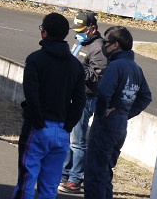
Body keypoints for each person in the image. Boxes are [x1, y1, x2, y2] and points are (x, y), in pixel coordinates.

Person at [12, 12, 86, 199]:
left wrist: (37, 122)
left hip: (38, 128)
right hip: (61, 130)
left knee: (27, 181)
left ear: (44, 32)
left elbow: (31, 95)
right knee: (50, 186)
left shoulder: (35, 59)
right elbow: (79, 101)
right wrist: (68, 125)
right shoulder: (76, 66)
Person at [84, 26, 151, 199]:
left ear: (115, 45)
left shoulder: (115, 66)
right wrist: (125, 113)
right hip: (120, 126)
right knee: (105, 172)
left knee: (95, 174)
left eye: (106, 42)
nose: (103, 45)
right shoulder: (136, 68)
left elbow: (103, 93)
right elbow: (145, 97)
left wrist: (102, 113)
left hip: (106, 126)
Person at [59, 11, 107, 194]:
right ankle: (64, 175)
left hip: (85, 98)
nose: (77, 33)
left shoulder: (98, 48)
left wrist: (75, 69)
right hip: (71, 95)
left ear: (92, 29)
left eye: (81, 30)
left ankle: (75, 179)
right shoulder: (81, 42)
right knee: (68, 138)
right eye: (76, 30)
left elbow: (96, 76)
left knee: (77, 142)